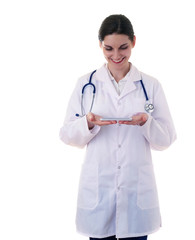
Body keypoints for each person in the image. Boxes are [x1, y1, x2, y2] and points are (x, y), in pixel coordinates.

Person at [59, 14, 177, 240]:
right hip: (98, 195)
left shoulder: (150, 86)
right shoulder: (86, 85)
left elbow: (166, 140)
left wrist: (146, 122)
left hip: (136, 196)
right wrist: (88, 123)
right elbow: (66, 135)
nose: (116, 55)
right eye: (108, 48)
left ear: (134, 41)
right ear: (100, 45)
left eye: (123, 47)